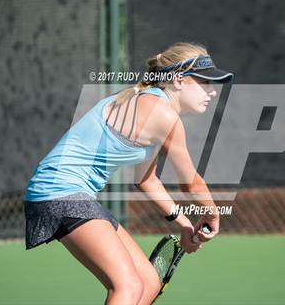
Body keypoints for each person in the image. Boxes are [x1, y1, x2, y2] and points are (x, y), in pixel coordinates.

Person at [24, 42, 233, 305]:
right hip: (58, 192)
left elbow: (146, 180)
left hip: (71, 195)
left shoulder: (153, 105)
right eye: (205, 83)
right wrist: (212, 214)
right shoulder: (162, 114)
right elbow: (191, 183)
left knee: (148, 283)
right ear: (178, 81)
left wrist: (184, 223)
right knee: (129, 286)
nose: (212, 92)